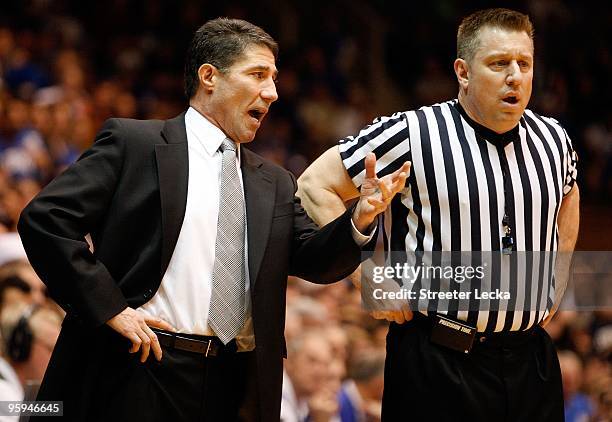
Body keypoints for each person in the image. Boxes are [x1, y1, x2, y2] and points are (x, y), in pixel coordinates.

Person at [17, 18, 408, 422]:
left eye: (274, 78)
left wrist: (359, 218)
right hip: (141, 364)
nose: (272, 93)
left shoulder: (273, 181)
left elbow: (316, 260)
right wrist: (111, 308)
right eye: (258, 74)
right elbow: (46, 220)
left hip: (234, 379)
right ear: (209, 77)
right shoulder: (135, 144)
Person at [297, 8, 580, 421]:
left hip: (529, 362)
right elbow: (312, 185)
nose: (515, 76)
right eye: (499, 63)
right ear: (463, 72)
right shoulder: (411, 133)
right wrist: (366, 275)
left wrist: (560, 271)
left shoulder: (554, 138)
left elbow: (569, 194)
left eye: (524, 63)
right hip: (436, 362)